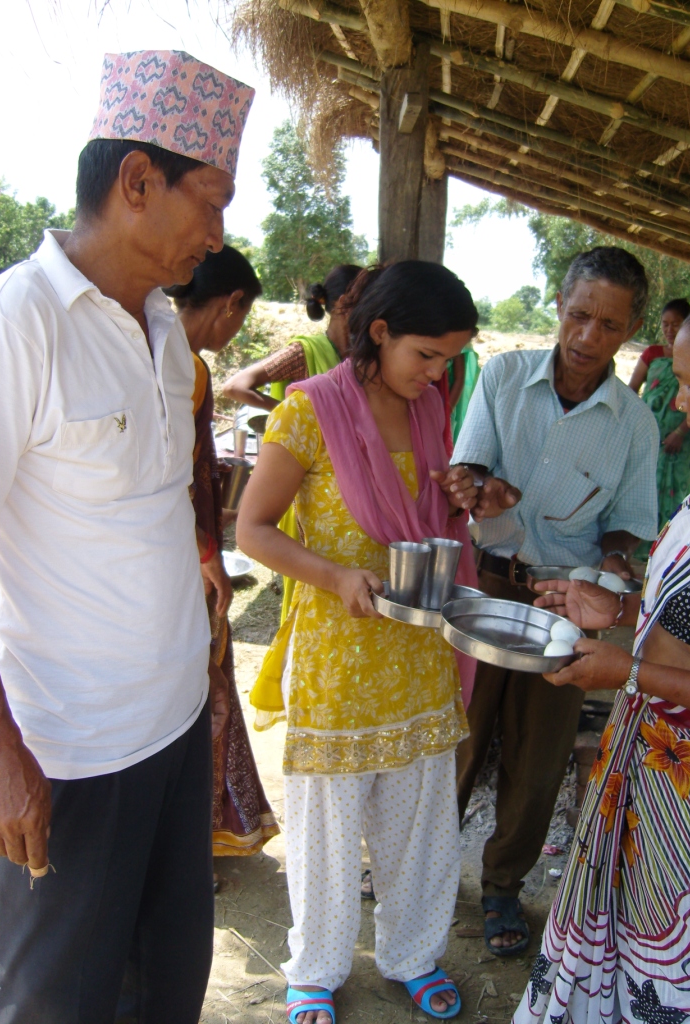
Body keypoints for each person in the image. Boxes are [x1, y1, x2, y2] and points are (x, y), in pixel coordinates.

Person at [0, 50, 253, 1023]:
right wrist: (1, 755)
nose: (220, 233)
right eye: (212, 199)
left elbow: (162, 485)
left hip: (177, 723)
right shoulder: (19, 321)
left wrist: (192, 551)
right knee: (58, 1001)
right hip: (70, 749)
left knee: (165, 986)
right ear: (137, 182)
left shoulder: (162, 324)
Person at [237, 261, 482, 1024]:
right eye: (428, 355)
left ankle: (412, 953)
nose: (439, 373)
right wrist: (333, 574)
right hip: (339, 658)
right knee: (329, 831)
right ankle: (316, 965)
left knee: (419, 824)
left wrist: (469, 494)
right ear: (379, 332)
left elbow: (434, 512)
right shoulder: (308, 411)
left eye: (450, 360)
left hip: (416, 650)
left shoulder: (429, 406)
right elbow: (253, 529)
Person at [517, 286, 690, 1023]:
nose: (677, 404)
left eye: (688, 385)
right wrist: (619, 611)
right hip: (655, 772)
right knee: (630, 950)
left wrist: (625, 671)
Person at [452, 247, 659, 958]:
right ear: (559, 305)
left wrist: (612, 562)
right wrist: (478, 488)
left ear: (630, 328)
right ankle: (416, 864)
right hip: (485, 580)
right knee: (459, 732)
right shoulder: (505, 375)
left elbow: (631, 519)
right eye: (578, 316)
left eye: (608, 325)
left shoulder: (634, 424)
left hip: (567, 604)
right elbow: (468, 467)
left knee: (540, 754)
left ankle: (504, 884)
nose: (587, 338)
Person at [166, 245, 280, 860]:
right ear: (232, 303)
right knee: (198, 691)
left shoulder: (139, 346)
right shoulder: (187, 369)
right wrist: (212, 556)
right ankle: (196, 834)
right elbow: (192, 476)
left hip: (144, 565)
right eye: (240, 316)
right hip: (180, 564)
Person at [223, 263, 363, 623]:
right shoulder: (306, 351)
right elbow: (238, 385)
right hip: (300, 483)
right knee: (306, 577)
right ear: (345, 304)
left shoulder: (360, 360)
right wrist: (296, 413)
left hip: (341, 489)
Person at [221, 263, 363, 411]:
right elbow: (234, 387)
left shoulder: (362, 356)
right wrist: (294, 414)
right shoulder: (303, 353)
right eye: (368, 303)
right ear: (343, 303)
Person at [629, 298, 690, 538]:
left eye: (676, 324)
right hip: (648, 439)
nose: (669, 330)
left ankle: (667, 544)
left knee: (675, 491)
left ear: (688, 324)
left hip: (682, 441)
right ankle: (636, 548)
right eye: (665, 324)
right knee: (641, 489)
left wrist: (680, 432)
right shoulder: (652, 354)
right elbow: (631, 391)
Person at [449, 342, 480, 444]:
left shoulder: (456, 335)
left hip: (445, 402)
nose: (435, 373)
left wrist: (445, 413)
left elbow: (459, 379)